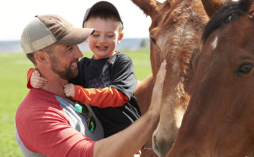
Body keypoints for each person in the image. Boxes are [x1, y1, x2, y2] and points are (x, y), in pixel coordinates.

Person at [15, 14, 167, 157]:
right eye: (69, 48)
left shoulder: (75, 88)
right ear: (42, 57)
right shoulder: (35, 115)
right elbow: (91, 154)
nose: (79, 54)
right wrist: (153, 113)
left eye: (76, 46)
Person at [28, 1, 140, 138]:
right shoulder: (82, 66)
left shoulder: (121, 62)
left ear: (120, 37)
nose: (102, 41)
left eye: (110, 35)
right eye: (95, 34)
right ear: (86, 36)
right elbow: (57, 76)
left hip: (127, 132)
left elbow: (119, 96)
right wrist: (33, 76)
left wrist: (80, 93)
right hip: (101, 137)